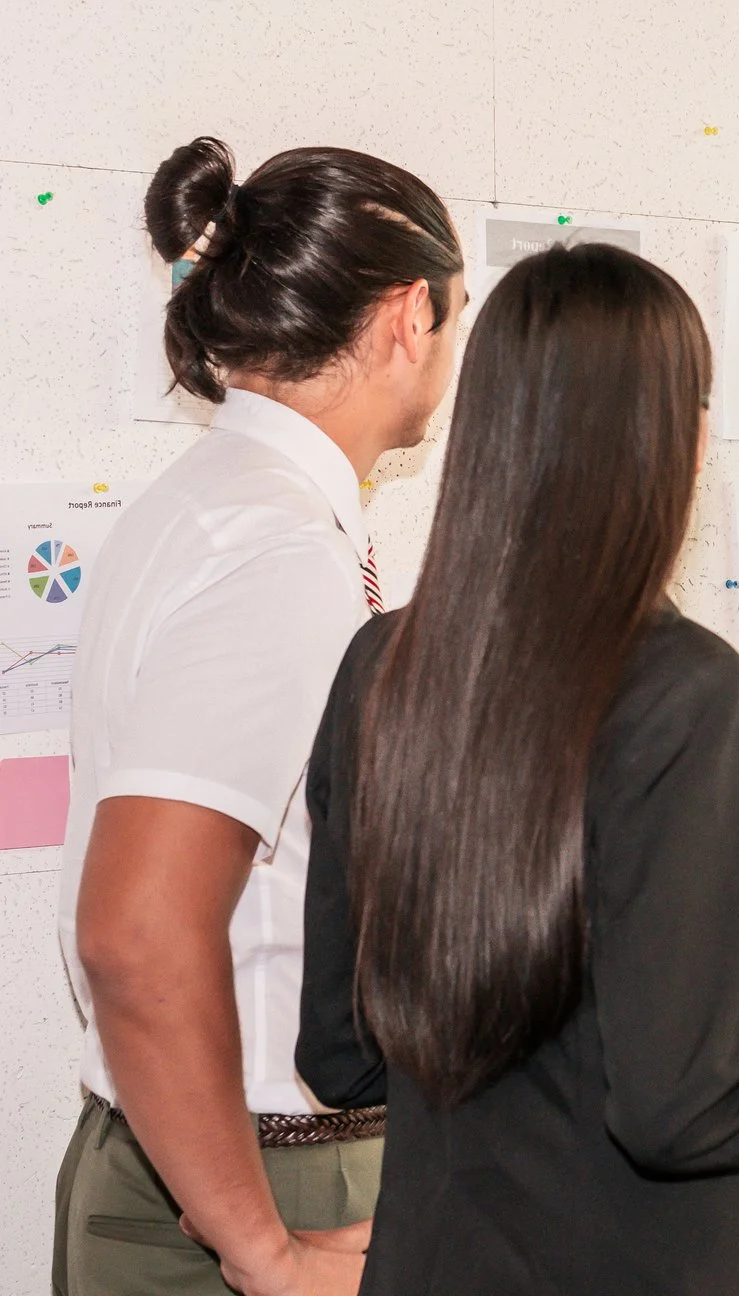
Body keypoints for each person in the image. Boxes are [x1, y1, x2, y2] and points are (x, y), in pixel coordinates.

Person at [292, 241, 739, 1294]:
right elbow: (681, 1106)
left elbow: (344, 1050)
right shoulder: (688, 692)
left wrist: (707, 917)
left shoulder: (382, 663)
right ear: (679, 439)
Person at [54, 137, 467, 1296]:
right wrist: (264, 1250)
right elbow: (136, 932)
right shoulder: (280, 550)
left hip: (181, 1152)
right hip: (263, 1178)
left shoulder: (210, 505)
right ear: (408, 314)